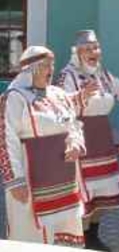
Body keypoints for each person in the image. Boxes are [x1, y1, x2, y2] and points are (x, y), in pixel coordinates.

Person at [57, 30, 119, 251]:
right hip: (80, 139)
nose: (93, 53)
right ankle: (78, 240)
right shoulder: (67, 76)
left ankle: (92, 237)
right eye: (88, 48)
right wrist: (81, 98)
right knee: (84, 193)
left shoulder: (104, 76)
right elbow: (60, 108)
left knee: (103, 193)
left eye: (96, 48)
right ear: (77, 52)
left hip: (102, 140)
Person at [0, 46, 86, 247]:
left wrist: (75, 143)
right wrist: (14, 180)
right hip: (31, 178)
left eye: (52, 65)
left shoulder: (58, 94)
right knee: (32, 234)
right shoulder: (14, 98)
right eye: (45, 65)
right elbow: (5, 138)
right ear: (30, 69)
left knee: (64, 228)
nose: (50, 70)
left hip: (64, 178)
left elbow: (74, 124)